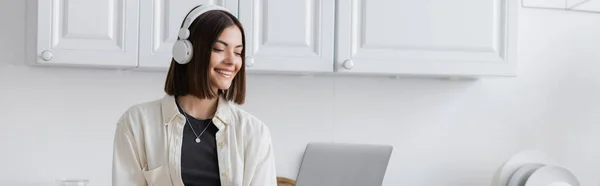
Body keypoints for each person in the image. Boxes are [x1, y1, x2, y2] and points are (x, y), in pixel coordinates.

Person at [111, 4, 277, 186]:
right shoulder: (137, 123)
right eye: (219, 49)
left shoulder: (254, 133)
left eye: (238, 52)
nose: (231, 61)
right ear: (187, 52)